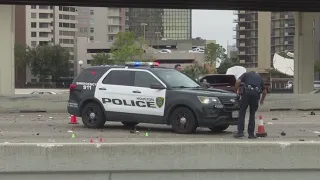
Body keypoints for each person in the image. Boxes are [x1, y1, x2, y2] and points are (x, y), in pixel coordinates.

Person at [233, 71, 267, 139]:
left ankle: (240, 132)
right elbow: (264, 91)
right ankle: (251, 134)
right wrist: (262, 100)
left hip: (246, 94)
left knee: (242, 113)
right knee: (252, 114)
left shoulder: (245, 74)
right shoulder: (259, 78)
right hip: (255, 95)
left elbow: (237, 82)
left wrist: (236, 91)